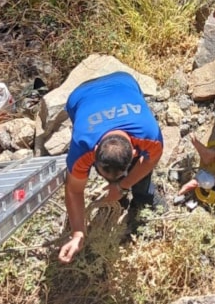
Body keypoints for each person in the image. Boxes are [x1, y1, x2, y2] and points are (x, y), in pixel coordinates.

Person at [59, 71, 164, 264]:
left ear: (134, 153)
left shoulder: (149, 134)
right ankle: (120, 200)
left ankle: (142, 197)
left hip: (124, 82)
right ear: (95, 151)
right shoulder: (82, 147)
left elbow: (149, 161)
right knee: (114, 173)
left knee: (136, 176)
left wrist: (123, 185)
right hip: (79, 96)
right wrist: (78, 233)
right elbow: (74, 190)